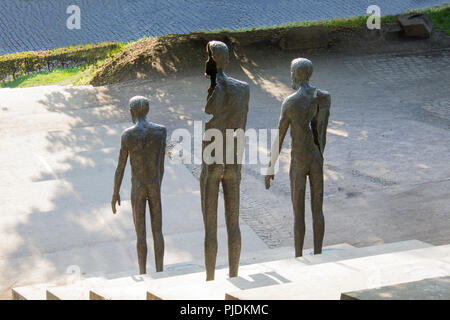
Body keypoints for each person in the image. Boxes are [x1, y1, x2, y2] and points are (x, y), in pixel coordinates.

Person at [265, 58, 330, 257]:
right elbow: (322, 132)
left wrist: (270, 168)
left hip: (299, 160)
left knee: (298, 212)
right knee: (317, 209)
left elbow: (280, 136)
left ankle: (299, 254)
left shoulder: (291, 103)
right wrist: (319, 155)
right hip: (316, 158)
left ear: (296, 74)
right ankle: (318, 252)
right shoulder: (324, 98)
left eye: (292, 72)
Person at [201, 41, 249, 281]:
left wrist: (214, 82)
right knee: (234, 222)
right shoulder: (243, 89)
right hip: (232, 161)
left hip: (212, 162)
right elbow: (241, 130)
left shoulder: (215, 88)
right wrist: (237, 167)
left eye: (207, 58)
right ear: (227, 60)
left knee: (211, 227)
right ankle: (234, 275)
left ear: (212, 61)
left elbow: (211, 109)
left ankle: (210, 278)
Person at [111, 96, 166, 274]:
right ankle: (160, 270)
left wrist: (115, 192)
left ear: (132, 111)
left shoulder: (128, 135)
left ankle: (142, 272)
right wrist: (157, 185)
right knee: (158, 232)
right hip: (154, 185)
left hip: (138, 188)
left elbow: (121, 167)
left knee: (140, 235)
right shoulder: (161, 131)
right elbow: (161, 166)